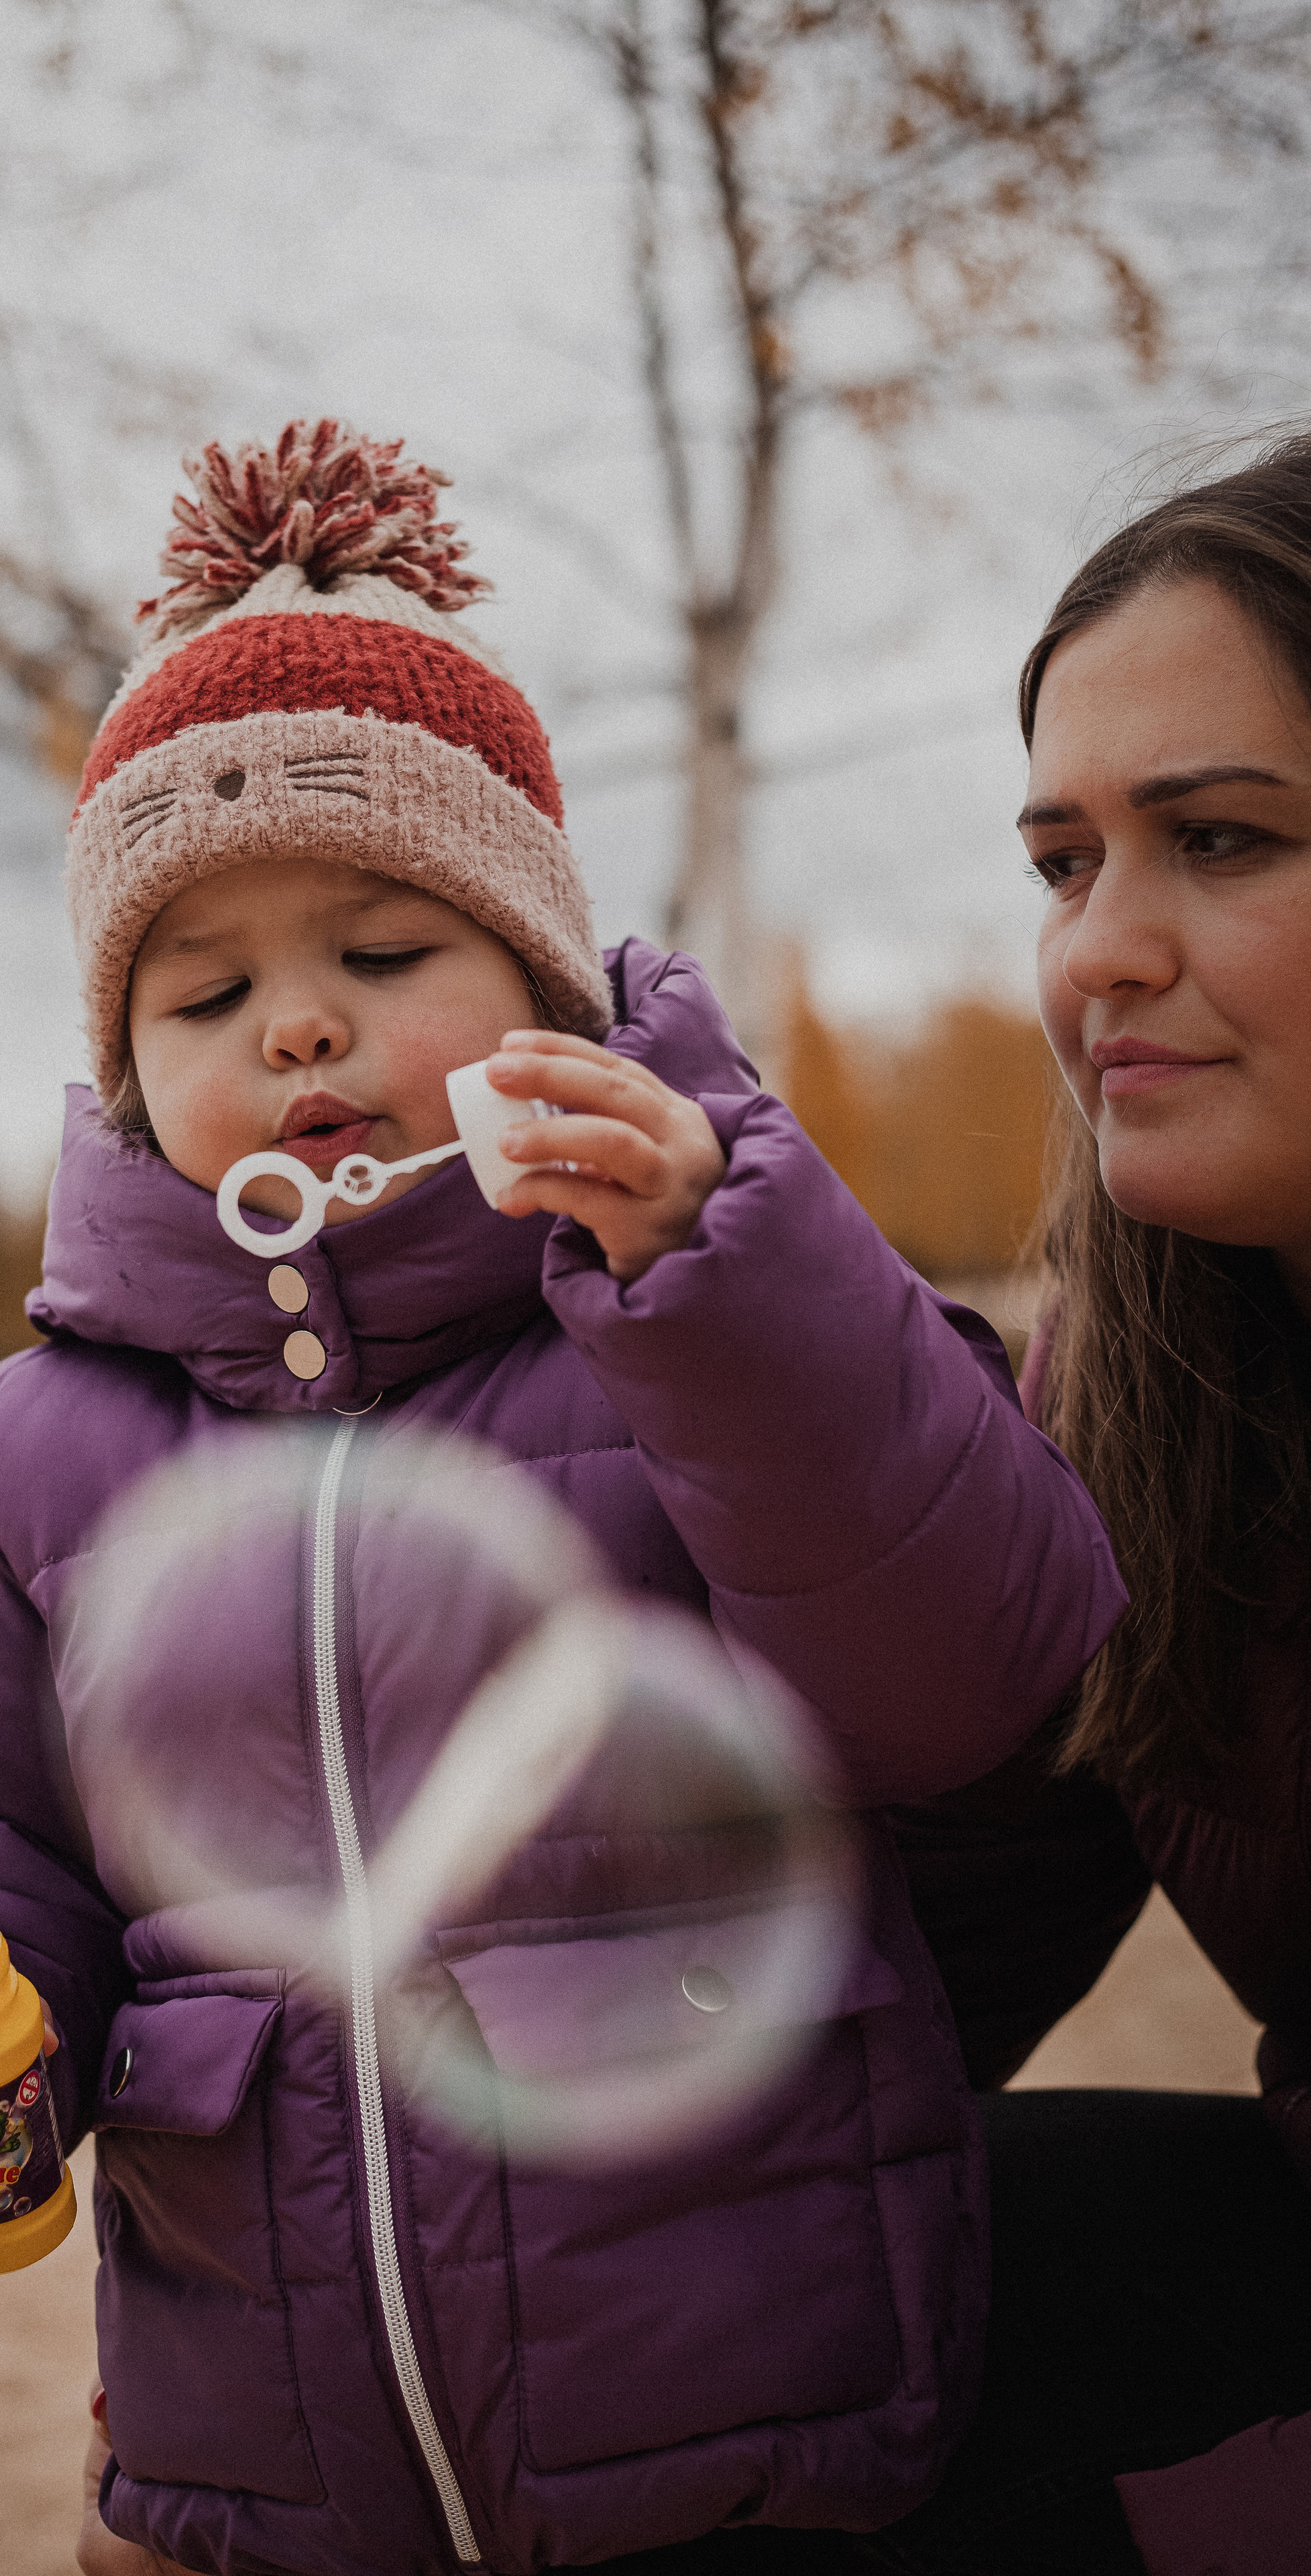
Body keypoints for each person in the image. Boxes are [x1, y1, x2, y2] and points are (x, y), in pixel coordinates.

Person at [0, 420, 1120, 2576]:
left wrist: (715, 1282)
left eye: (388, 955)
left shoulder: (701, 1307)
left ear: (551, 988)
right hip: (272, 2490)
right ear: (127, 1071)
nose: (298, 1027)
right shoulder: (39, 1447)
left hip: (762, 2446)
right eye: (208, 994)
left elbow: (987, 1670)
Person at [882, 432, 1311, 2576]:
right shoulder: (1118, 1418)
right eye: (1063, 864)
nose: (1097, 959)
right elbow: (906, 1969)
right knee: (844, 2298)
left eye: (1220, 839)